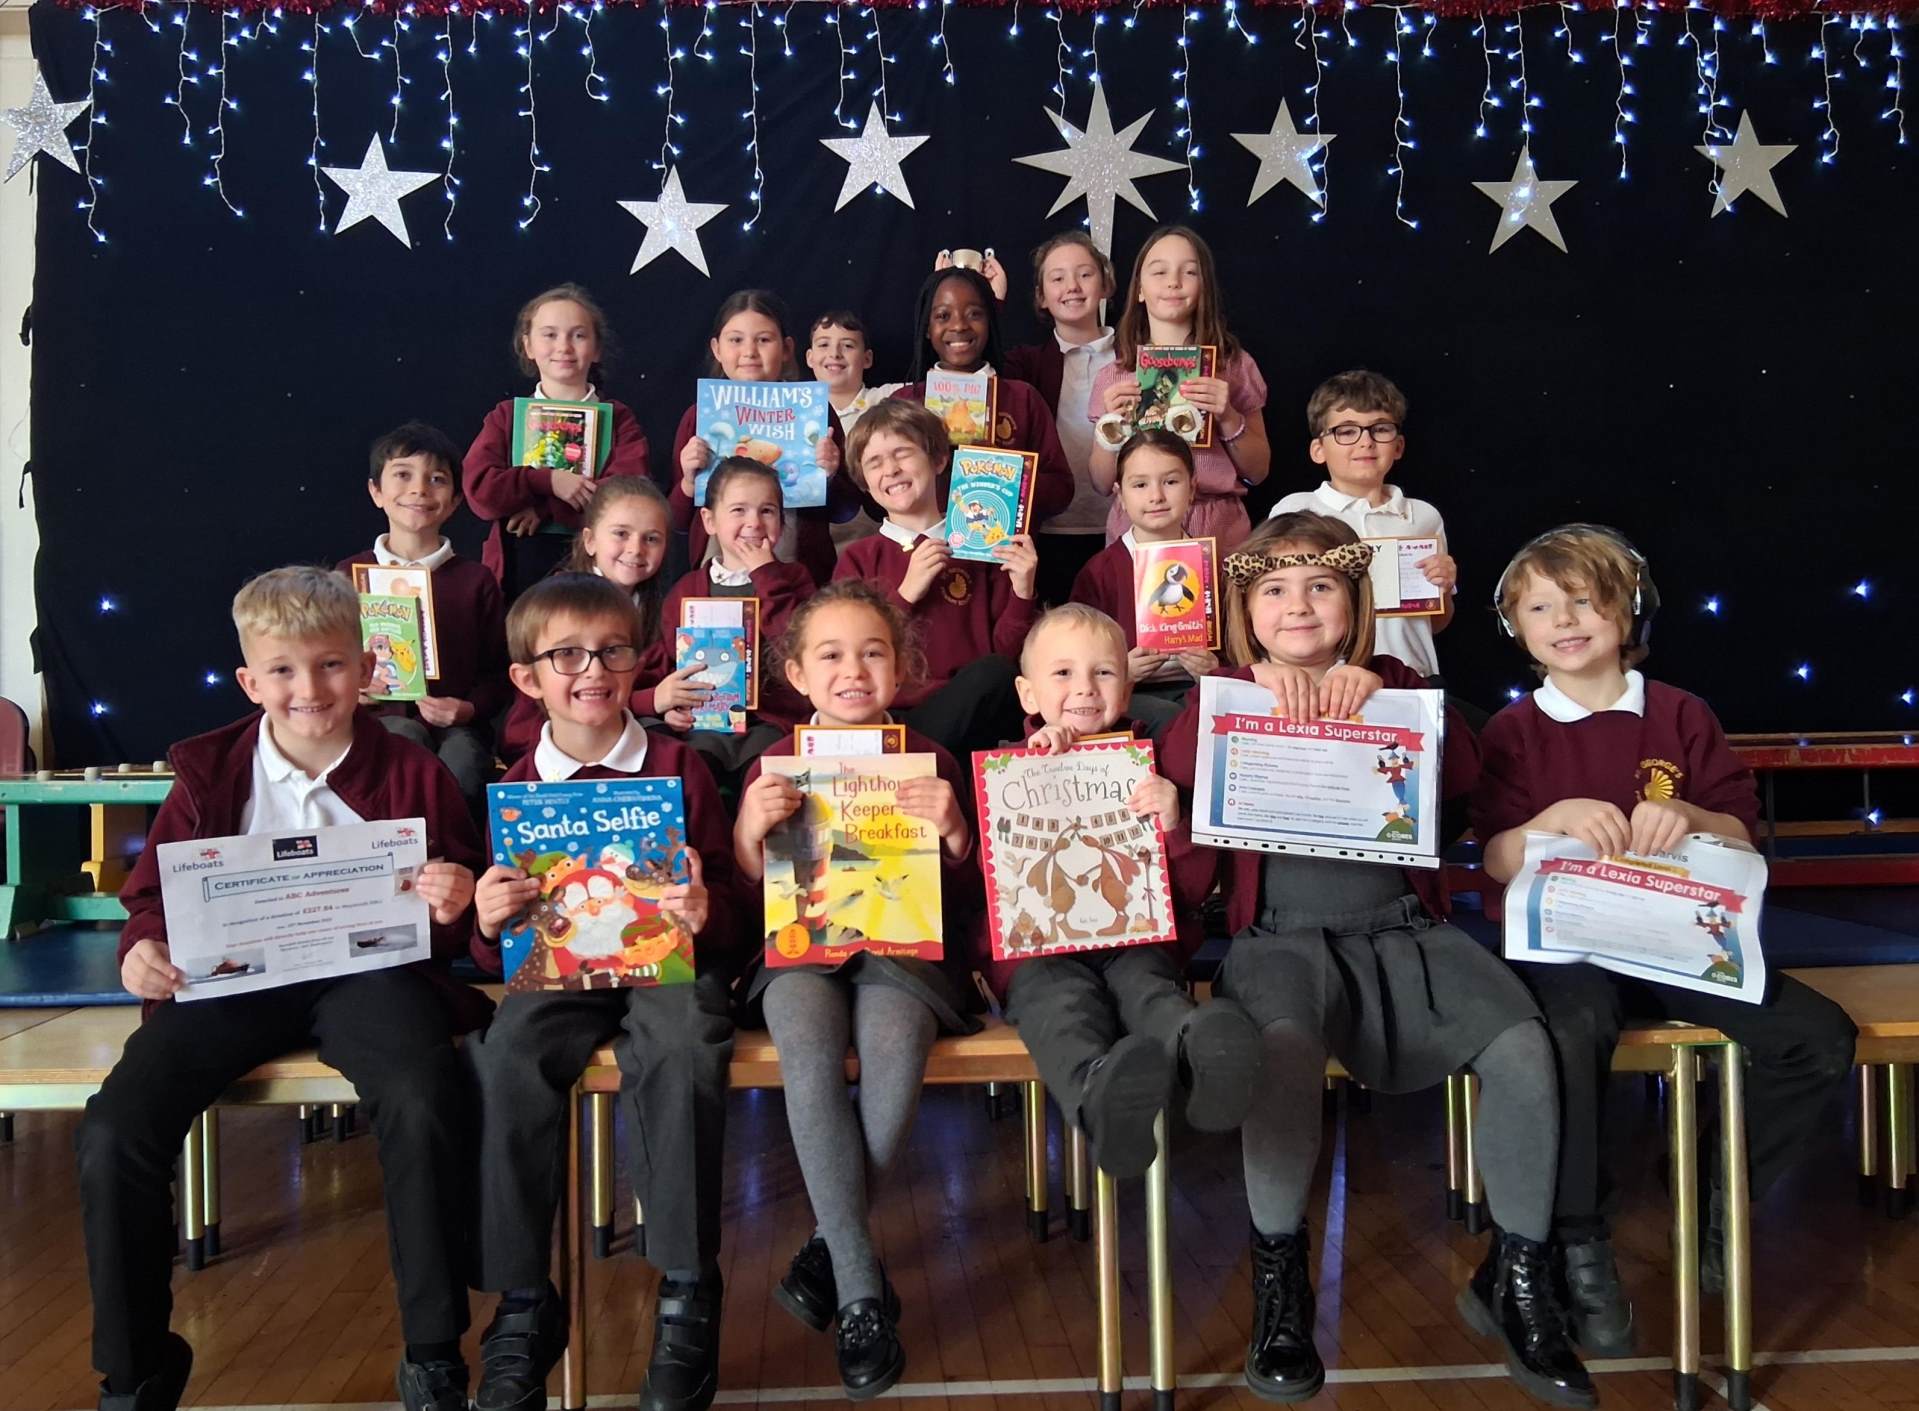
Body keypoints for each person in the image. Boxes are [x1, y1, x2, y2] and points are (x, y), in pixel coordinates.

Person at [1161, 514, 1593, 1408]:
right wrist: (1240, 689)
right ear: (1245, 610)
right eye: (1274, 588)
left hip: (1402, 930)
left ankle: (1517, 1276)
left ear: (1354, 603)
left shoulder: (1394, 681)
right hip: (1278, 937)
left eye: (1320, 585)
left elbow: (1463, 774)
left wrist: (1389, 693)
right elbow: (1172, 774)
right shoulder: (1224, 694)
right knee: (1279, 1052)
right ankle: (1279, 1282)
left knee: (1522, 1043)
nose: (1298, 605)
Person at [82, 566, 485, 1411]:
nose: (310, 688)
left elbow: (458, 906)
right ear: (250, 681)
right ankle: (134, 1368)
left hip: (370, 975)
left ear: (367, 667)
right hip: (233, 978)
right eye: (284, 670)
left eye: (332, 664)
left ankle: (434, 1353)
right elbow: (151, 898)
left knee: (421, 1096)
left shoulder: (413, 770)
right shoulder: (207, 769)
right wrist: (139, 948)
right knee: (115, 1125)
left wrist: (456, 898)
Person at [1474, 524, 1857, 1357]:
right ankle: (1579, 1241)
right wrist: (1547, 820)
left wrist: (1687, 815)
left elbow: (1741, 834)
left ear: (1628, 612)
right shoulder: (1511, 731)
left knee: (1818, 1037)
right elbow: (1494, 860)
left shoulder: (1680, 713)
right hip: (1567, 947)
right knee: (1568, 1031)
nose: (1564, 620)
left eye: (1584, 600)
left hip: (1675, 940)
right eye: (1540, 607)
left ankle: (1714, 1184)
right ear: (1515, 627)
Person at [466, 573, 737, 1411]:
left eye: (613, 651)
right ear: (527, 678)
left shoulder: (679, 767)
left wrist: (706, 908)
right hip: (561, 971)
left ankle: (687, 1284)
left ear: (637, 661)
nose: (594, 670)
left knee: (685, 1044)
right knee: (507, 1052)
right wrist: (486, 917)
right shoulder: (517, 785)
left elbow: (731, 901)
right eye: (568, 655)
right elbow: (495, 939)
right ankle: (522, 1295)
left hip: (666, 962)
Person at [732, 579, 982, 1399]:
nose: (853, 671)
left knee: (894, 1044)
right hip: (799, 950)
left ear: (900, 668)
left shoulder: (930, 759)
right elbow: (747, 892)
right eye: (831, 655)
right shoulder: (773, 763)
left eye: (873, 653)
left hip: (904, 951)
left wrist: (954, 829)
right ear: (797, 673)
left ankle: (828, 1250)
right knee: (805, 1051)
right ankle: (861, 1290)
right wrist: (747, 832)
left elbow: (968, 893)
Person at [986, 603, 1254, 1177]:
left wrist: (1175, 822)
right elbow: (989, 887)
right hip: (1042, 954)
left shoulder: (1154, 771)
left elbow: (1193, 889)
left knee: (1151, 992)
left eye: (1103, 672)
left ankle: (1203, 1054)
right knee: (1060, 1011)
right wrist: (1032, 763)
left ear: (1127, 689)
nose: (1085, 688)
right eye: (1063, 673)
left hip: (1139, 939)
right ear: (1028, 694)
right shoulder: (1003, 773)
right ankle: (1100, 1101)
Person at [833, 398, 1038, 758]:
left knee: (994, 673)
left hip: (977, 710)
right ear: (864, 482)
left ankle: (922, 762)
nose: (891, 469)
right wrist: (905, 594)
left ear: (939, 460)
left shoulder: (985, 544)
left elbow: (1007, 658)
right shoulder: (859, 558)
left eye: (902, 453)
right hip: (889, 716)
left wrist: (1023, 591)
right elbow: (847, 652)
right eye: (874, 463)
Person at [336, 420, 509, 817]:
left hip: (457, 727)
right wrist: (353, 689)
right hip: (375, 722)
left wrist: (467, 709)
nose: (419, 489)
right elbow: (327, 659)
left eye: (437, 479)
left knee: (464, 761)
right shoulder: (347, 576)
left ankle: (453, 850)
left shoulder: (475, 580)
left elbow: (499, 674)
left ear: (455, 500)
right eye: (403, 475)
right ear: (375, 491)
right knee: (402, 738)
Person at [497, 477, 708, 763]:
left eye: (651, 538)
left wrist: (670, 708)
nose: (636, 549)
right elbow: (577, 701)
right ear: (590, 541)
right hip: (548, 738)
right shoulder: (558, 608)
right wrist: (651, 701)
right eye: (621, 533)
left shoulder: (664, 608)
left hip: (625, 731)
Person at [1087, 226, 1270, 553]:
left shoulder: (1234, 366)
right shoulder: (1115, 375)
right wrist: (1110, 429)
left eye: (1189, 272)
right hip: (1138, 530)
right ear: (1139, 289)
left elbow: (1258, 472)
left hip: (1218, 528)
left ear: (1204, 287)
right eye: (1160, 272)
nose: (1173, 282)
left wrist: (1228, 416)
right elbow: (1101, 484)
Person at [465, 284, 651, 598]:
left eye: (578, 335)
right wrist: (548, 480)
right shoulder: (506, 417)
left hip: (597, 571)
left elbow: (626, 497)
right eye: (549, 335)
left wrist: (546, 509)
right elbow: (481, 491)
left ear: (596, 348)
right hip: (518, 570)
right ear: (528, 345)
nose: (563, 346)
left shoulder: (619, 420)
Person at [1268, 370, 1455, 681]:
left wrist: (1443, 589)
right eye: (1346, 431)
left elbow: (1434, 622)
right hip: (1323, 680)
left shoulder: (1423, 516)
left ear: (1398, 446)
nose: (1366, 442)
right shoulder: (1295, 510)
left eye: (1380, 429)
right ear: (1318, 450)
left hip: (1411, 677)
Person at [672, 290, 854, 584]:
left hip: (800, 572)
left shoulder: (815, 411)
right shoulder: (699, 417)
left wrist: (830, 475)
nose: (749, 352)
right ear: (717, 349)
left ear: (786, 348)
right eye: (736, 340)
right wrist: (689, 483)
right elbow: (677, 521)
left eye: (764, 340)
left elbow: (845, 511)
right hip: (719, 575)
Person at [657, 457, 817, 789]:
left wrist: (766, 575)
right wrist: (671, 706)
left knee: (768, 780)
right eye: (739, 510)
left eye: (767, 511)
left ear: (781, 522)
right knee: (694, 773)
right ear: (709, 520)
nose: (754, 522)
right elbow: (668, 663)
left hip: (773, 723)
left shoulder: (794, 579)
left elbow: (798, 648)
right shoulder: (688, 589)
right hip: (705, 723)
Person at [981, 234, 1121, 604]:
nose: (1072, 286)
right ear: (1041, 296)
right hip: (1051, 531)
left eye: (1085, 274)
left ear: (1106, 284)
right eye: (1057, 278)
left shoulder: (1135, 358)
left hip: (1123, 526)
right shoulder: (1025, 364)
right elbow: (980, 371)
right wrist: (991, 302)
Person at [890, 266, 1074, 531]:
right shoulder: (904, 403)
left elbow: (1061, 491)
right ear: (927, 328)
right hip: (921, 550)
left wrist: (1003, 473)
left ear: (990, 322)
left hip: (1001, 550)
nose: (959, 325)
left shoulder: (1022, 398)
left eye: (974, 314)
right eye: (943, 316)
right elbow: (874, 501)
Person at [1068, 429, 1219, 735]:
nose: (1156, 496)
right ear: (1120, 495)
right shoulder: (1100, 571)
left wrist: (1214, 670)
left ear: (1192, 488)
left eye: (1171, 482)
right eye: (1140, 485)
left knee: (1205, 713)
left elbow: (1239, 651)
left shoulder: (1212, 565)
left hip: (1196, 689)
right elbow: (1075, 660)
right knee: (1172, 718)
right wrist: (1118, 672)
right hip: (1128, 696)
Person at [807, 309, 907, 549]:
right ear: (809, 357)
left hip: (874, 536)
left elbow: (943, 390)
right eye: (823, 344)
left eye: (848, 346)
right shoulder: (793, 410)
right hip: (812, 537)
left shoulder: (891, 397)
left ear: (867, 358)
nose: (834, 353)